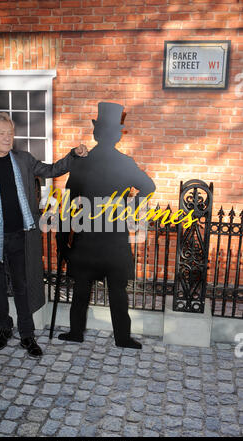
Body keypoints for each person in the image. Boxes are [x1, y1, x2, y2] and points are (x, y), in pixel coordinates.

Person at [0, 112, 87, 358]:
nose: (8, 138)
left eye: (10, 134)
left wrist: (72, 155)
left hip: (19, 236)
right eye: (2, 134)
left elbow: (51, 170)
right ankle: (4, 328)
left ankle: (27, 335)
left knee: (22, 286)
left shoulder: (23, 160)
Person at [58, 102, 156, 349]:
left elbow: (68, 204)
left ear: (96, 133)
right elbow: (149, 187)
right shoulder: (125, 162)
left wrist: (62, 242)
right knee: (117, 294)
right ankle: (122, 338)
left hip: (86, 241)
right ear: (116, 135)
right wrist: (131, 209)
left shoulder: (81, 162)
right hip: (114, 241)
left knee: (80, 292)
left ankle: (76, 333)